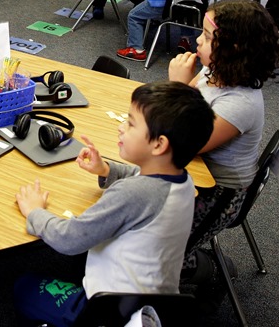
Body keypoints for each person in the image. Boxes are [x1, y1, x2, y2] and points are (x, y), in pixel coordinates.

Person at [13, 81, 214, 327]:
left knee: (23, 287)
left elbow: (69, 239)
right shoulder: (183, 181)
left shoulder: (132, 194)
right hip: (159, 304)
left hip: (108, 313)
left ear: (159, 144)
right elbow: (142, 178)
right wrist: (106, 169)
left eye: (130, 123)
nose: (121, 128)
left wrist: (35, 212)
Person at [167, 0, 279, 309]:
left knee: (161, 254)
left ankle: (215, 270)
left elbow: (189, 140)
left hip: (219, 192)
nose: (197, 41)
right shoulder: (213, 70)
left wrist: (176, 87)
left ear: (232, 48)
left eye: (206, 37)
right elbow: (192, 100)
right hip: (194, 172)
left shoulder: (241, 103)